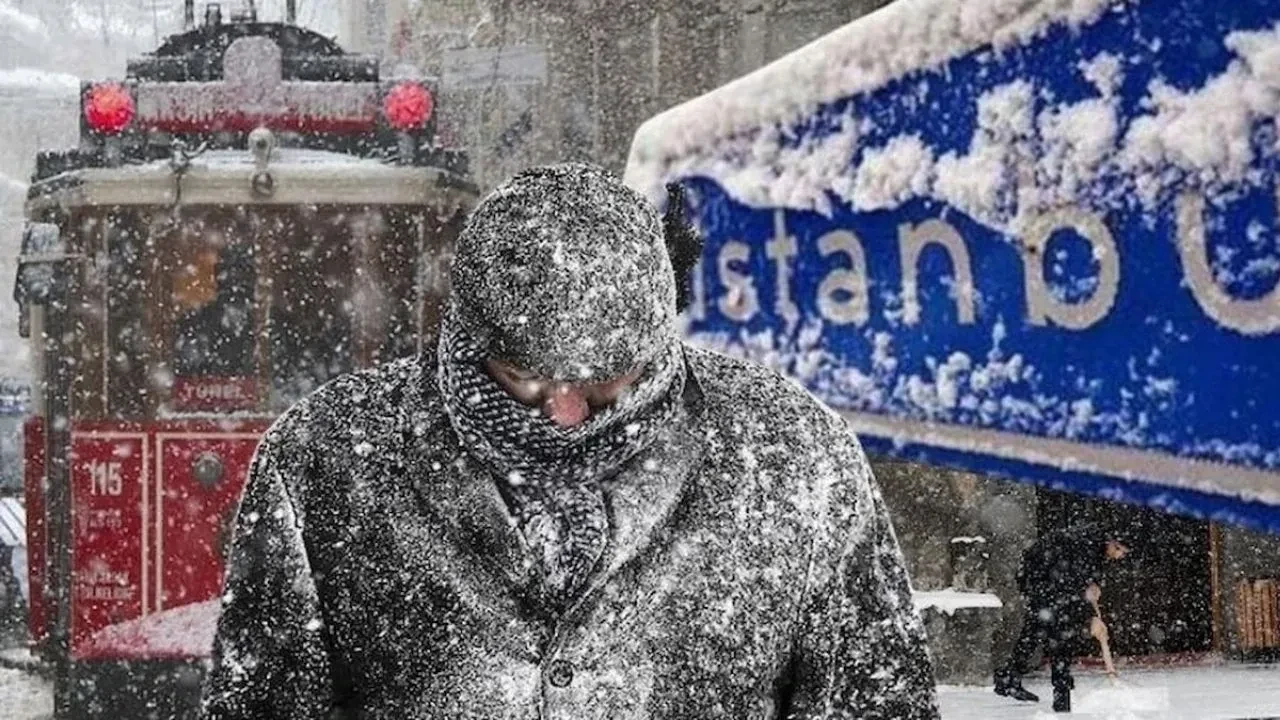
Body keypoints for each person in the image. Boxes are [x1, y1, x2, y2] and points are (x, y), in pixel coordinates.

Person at [199, 164, 938, 719]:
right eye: (523, 377)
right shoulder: (325, 460)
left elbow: (878, 698)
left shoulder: (792, 455)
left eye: (606, 382)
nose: (564, 415)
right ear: (467, 336)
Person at [994, 522, 1132, 712]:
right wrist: (1091, 616)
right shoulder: (1085, 548)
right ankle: (1062, 694)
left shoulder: (1093, 545)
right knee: (1061, 634)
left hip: (1045, 582)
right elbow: (1073, 585)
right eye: (1120, 551)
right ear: (1112, 543)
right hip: (1043, 582)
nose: (1119, 557)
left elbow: (1083, 579)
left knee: (1036, 629)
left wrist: (1093, 585)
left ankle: (1008, 677)